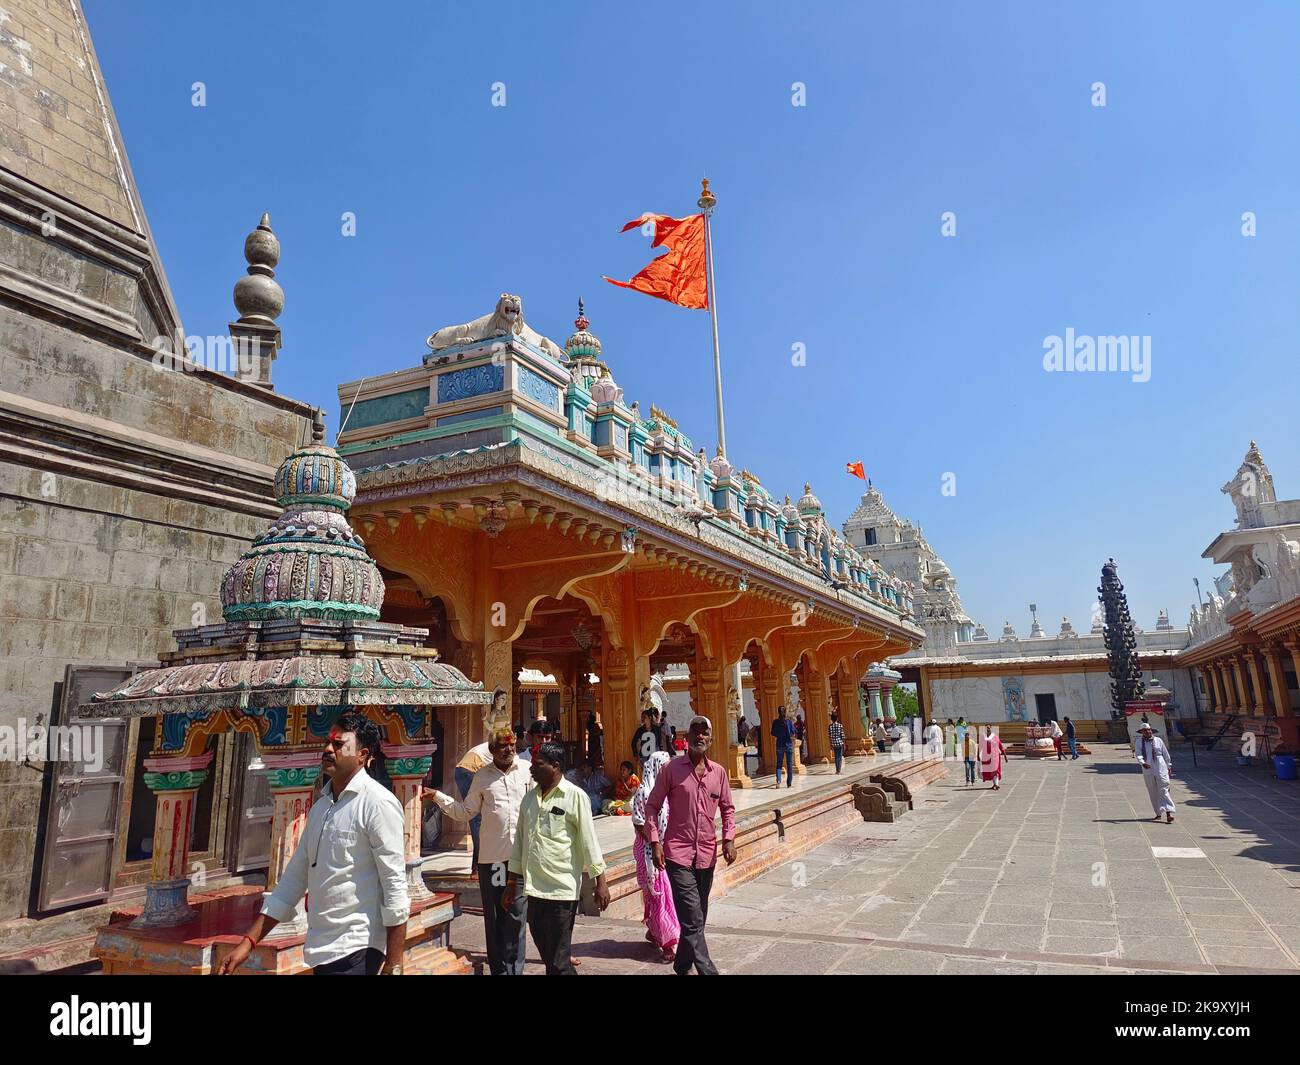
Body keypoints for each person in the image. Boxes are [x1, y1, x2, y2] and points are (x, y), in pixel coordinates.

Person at [219, 711, 408, 975]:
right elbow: (293, 880)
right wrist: (248, 942)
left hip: (359, 947)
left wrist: (395, 962)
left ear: (362, 755)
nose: (328, 749)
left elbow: (395, 884)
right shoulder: (321, 808)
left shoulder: (378, 804)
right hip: (322, 949)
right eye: (327, 743)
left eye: (339, 744)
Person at [427, 727, 532, 975]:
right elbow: (466, 812)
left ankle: (514, 970)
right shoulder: (482, 777)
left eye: (511, 745)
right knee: (496, 915)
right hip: (493, 860)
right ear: (492, 750)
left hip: (520, 859)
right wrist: (438, 797)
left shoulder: (528, 772)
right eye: (503, 746)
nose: (508, 750)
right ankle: (499, 970)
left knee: (517, 916)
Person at [504, 742, 609, 975]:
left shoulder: (575, 797)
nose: (531, 769)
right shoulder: (529, 800)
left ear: (555, 766)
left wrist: (600, 882)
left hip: (562, 890)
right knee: (549, 955)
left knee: (559, 959)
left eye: (538, 765)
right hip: (534, 890)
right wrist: (512, 884)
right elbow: (519, 843)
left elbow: (589, 840)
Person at [645, 715, 737, 976]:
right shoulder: (672, 770)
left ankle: (681, 964)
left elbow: (728, 809)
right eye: (694, 731)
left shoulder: (718, 773)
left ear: (710, 739)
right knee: (693, 917)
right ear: (687, 738)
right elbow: (652, 806)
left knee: (697, 918)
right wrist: (655, 841)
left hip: (706, 854)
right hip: (677, 853)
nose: (699, 736)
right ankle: (708, 971)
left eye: (704, 732)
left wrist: (729, 838)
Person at [631, 750, 680, 962]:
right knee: (660, 895)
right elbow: (638, 823)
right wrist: (655, 843)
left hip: (665, 850)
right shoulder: (644, 792)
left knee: (659, 895)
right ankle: (668, 942)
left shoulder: (668, 790)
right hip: (648, 852)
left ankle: (655, 931)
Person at [455, 737, 493, 867]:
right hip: (469, 771)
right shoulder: (501, 748)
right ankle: (478, 865)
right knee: (477, 817)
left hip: (465, 770)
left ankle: (478, 865)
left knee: (478, 818)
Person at [1136, 723, 1175, 823]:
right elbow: (1138, 754)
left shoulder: (1158, 740)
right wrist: (1143, 763)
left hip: (1160, 766)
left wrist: (1168, 766)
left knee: (1164, 789)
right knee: (1153, 790)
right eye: (1145, 730)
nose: (1148, 732)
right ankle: (1158, 812)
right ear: (1141, 732)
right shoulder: (1139, 742)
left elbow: (1165, 754)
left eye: (1149, 730)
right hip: (1148, 767)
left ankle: (1169, 812)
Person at [772, 705, 796, 786]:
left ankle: (778, 780)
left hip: (779, 744)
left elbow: (773, 732)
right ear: (785, 712)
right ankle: (789, 783)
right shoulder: (788, 722)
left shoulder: (775, 722)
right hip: (788, 745)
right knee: (789, 765)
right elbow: (793, 732)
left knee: (779, 764)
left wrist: (779, 734)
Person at [979, 724, 1006, 789]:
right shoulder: (983, 737)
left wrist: (1005, 755)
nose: (988, 729)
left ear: (991, 729)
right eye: (986, 728)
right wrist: (978, 755)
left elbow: (1000, 746)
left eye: (989, 728)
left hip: (995, 756)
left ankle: (996, 784)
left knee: (995, 770)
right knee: (991, 770)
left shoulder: (995, 737)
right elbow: (980, 747)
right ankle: (994, 784)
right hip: (986, 757)